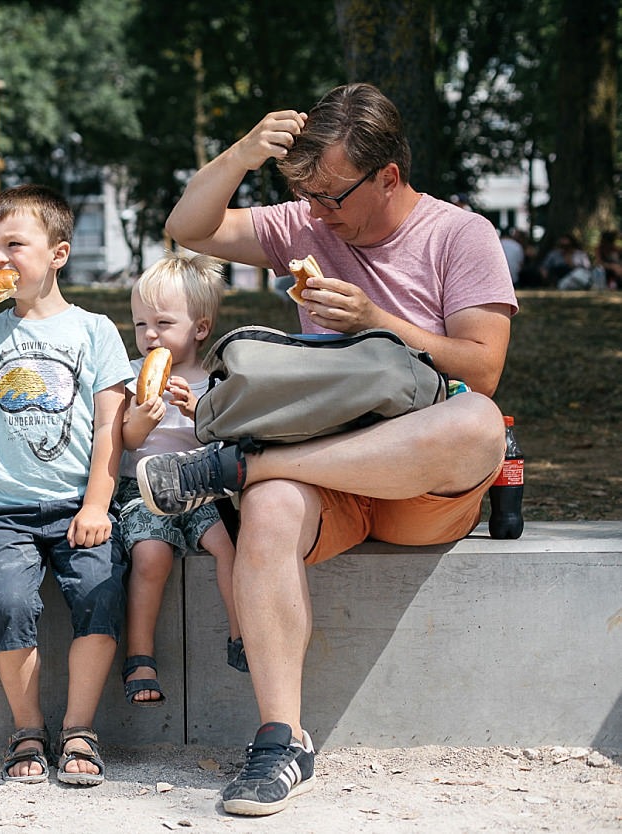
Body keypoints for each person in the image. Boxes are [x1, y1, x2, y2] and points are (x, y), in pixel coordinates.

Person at [142, 83, 517, 816]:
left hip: (418, 482)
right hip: (326, 475)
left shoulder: (459, 235)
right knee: (273, 506)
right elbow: (189, 227)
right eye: (305, 195)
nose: (317, 213)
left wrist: (378, 318)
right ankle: (282, 741)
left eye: (332, 197)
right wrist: (246, 152)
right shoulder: (305, 221)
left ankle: (243, 466)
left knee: (479, 423)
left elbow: (482, 367)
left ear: (388, 175)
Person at [0, 184, 129, 787]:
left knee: (100, 593)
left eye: (14, 245)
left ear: (58, 253)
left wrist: (99, 503)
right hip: (5, 507)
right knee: (10, 603)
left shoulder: (95, 330)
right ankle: (27, 728)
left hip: (80, 502)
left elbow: (110, 426)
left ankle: (80, 728)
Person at [119, 252, 243, 708]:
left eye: (163, 323)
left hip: (198, 487)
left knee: (226, 547)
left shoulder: (216, 381)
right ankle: (139, 655)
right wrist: (141, 421)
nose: (149, 335)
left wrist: (197, 413)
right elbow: (126, 444)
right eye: (139, 325)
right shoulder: (132, 377)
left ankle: (238, 633)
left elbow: (223, 440)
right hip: (143, 488)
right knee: (151, 556)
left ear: (200, 328)